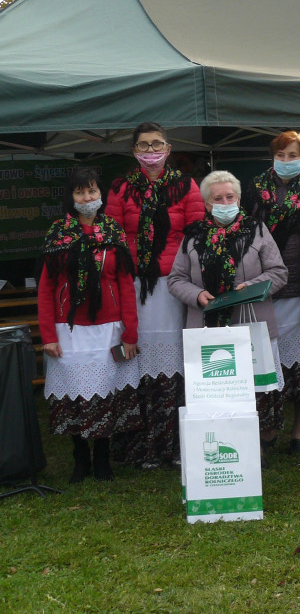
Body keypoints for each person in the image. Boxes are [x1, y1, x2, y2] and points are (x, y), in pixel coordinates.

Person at [167, 171, 288, 467]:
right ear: (207, 204)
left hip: (251, 325)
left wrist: (254, 285)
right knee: (218, 391)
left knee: (254, 390)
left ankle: (258, 443)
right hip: (208, 328)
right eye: (217, 199)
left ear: (238, 199)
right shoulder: (193, 236)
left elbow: (279, 272)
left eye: (229, 197)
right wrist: (197, 295)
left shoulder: (257, 230)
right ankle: (220, 444)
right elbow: (176, 279)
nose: (225, 203)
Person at [107, 122, 204, 469]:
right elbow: (113, 234)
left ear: (169, 147)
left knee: (178, 367)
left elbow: (196, 232)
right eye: (144, 145)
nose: (151, 151)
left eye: (157, 144)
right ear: (133, 151)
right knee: (137, 365)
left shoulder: (185, 185)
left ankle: (178, 445)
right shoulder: (120, 188)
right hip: (134, 285)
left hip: (175, 286)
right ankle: (142, 447)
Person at [38, 167, 141, 483]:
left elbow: (125, 282)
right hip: (67, 331)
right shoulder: (59, 234)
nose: (87, 198)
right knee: (73, 396)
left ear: (101, 195)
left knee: (105, 395)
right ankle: (79, 458)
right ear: (71, 198)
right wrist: (47, 336)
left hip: (108, 329)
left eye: (93, 191)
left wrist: (130, 332)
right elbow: (46, 289)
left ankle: (102, 460)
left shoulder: (113, 231)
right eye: (81, 192)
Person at [243, 131, 300, 456]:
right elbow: (243, 229)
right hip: (265, 289)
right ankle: (267, 427)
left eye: (293, 155)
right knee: (266, 361)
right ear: (272, 156)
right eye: (281, 155)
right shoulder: (254, 187)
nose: (286, 161)